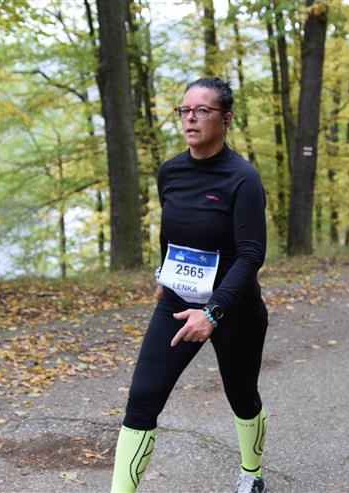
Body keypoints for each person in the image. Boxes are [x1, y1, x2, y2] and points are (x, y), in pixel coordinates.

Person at [110, 77, 269, 493]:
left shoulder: (243, 179)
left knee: (242, 396)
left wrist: (213, 312)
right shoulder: (171, 172)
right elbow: (172, 234)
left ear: (226, 119)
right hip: (177, 302)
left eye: (202, 110)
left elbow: (251, 255)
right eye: (184, 110)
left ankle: (251, 474)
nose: (190, 118)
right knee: (142, 399)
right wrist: (164, 274)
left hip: (232, 308)